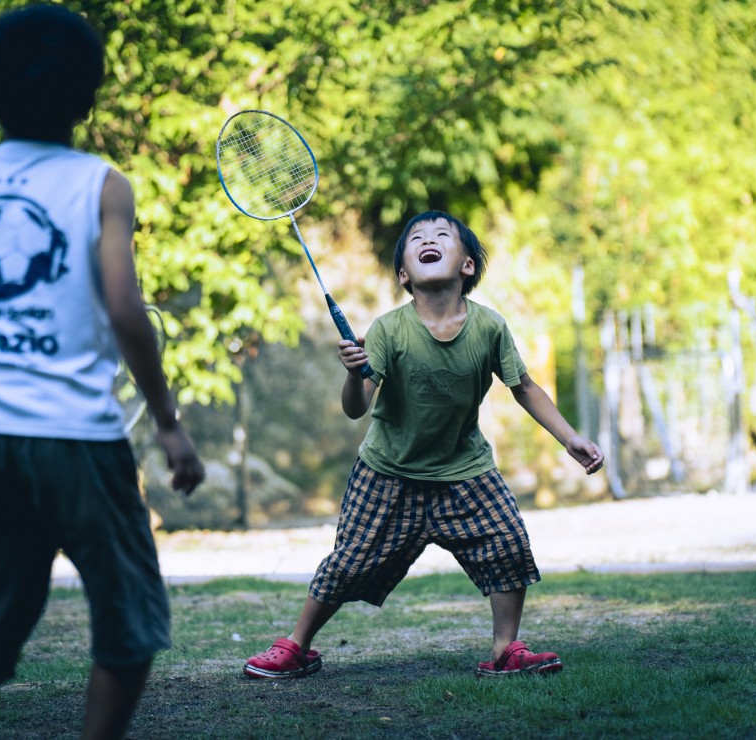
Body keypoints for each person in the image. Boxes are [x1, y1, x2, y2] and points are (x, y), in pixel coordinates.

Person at [0, 5, 204, 739]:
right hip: (78, 436)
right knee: (129, 619)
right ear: (88, 95)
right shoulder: (99, 183)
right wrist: (171, 424)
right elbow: (123, 303)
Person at [243, 210, 603, 680]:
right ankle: (295, 645)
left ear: (467, 266)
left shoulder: (489, 328)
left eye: (440, 235)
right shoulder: (389, 330)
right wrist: (354, 374)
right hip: (387, 472)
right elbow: (357, 408)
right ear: (404, 274)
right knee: (348, 565)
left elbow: (526, 387)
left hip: (465, 470)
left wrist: (570, 437)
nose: (426, 239)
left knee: (508, 545)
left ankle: (504, 649)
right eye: (416, 238)